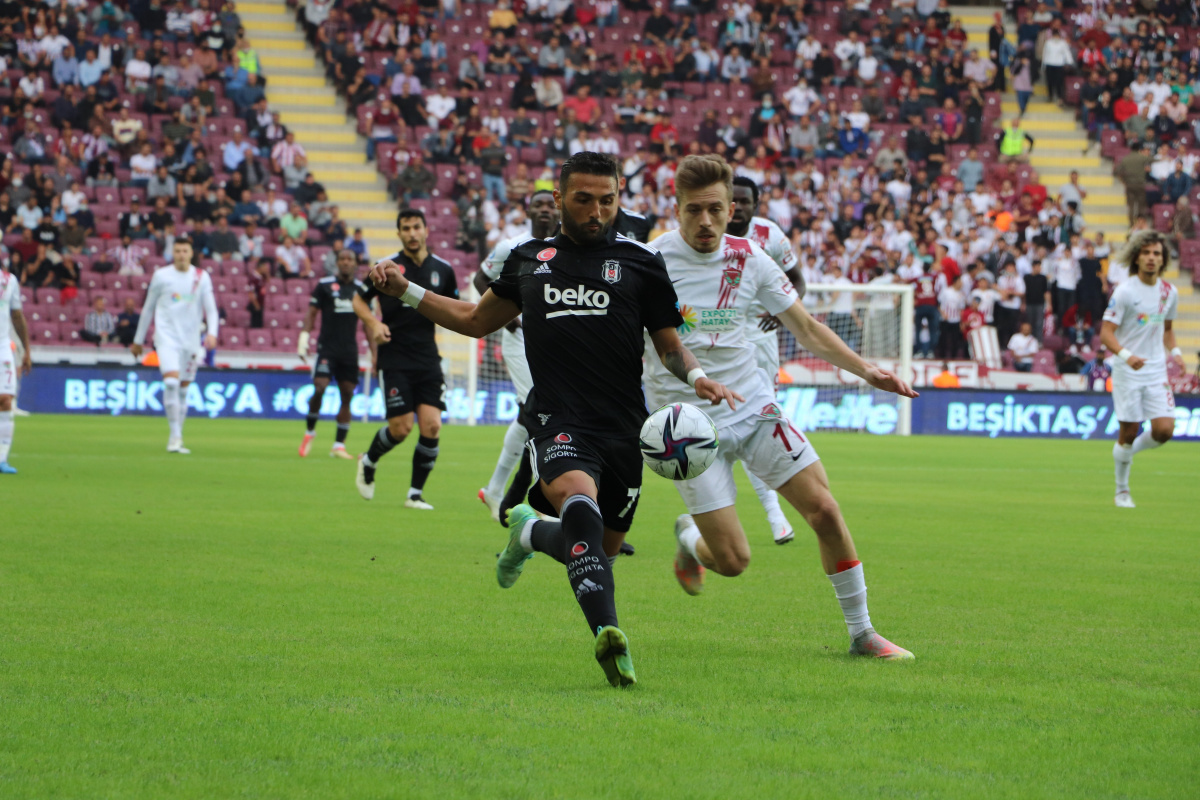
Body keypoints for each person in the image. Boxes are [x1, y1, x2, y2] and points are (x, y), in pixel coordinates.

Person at [367, 152, 739, 687]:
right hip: (557, 418)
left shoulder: (640, 264)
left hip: (624, 430)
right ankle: (610, 638)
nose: (596, 211)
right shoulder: (528, 259)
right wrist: (404, 290)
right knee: (580, 507)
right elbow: (474, 321)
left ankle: (530, 533)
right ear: (559, 199)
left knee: (596, 553)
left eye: (607, 200)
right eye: (583, 199)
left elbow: (669, 345)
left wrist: (697, 375)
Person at [646, 155, 916, 660]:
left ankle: (863, 634)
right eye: (693, 211)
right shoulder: (650, 261)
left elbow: (808, 329)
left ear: (732, 210)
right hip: (688, 429)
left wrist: (867, 371)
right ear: (676, 210)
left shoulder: (751, 259)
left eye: (716, 210)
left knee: (826, 511)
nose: (705, 221)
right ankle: (692, 541)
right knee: (732, 561)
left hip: (753, 408)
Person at [352, 209, 459, 508]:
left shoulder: (444, 269)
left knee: (432, 426)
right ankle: (369, 460)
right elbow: (358, 299)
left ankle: (415, 494)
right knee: (400, 429)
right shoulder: (386, 267)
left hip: (428, 357)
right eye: (406, 228)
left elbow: (453, 305)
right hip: (395, 356)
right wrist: (373, 324)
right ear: (398, 234)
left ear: (426, 230)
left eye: (416, 227)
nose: (412, 233)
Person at [727, 176, 804, 544]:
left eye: (745, 201)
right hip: (721, 336)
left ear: (756, 205)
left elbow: (797, 282)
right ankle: (772, 514)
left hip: (760, 337)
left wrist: (784, 311)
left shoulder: (770, 235)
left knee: (762, 417)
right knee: (728, 422)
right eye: (734, 200)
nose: (738, 207)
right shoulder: (707, 229)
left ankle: (774, 512)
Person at [474, 190, 558, 521]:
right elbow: (480, 278)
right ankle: (547, 499)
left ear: (557, 209)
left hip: (553, 340)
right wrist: (505, 317)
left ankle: (495, 490)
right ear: (527, 211)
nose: (543, 210)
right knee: (540, 408)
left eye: (548, 205)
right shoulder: (512, 247)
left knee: (529, 413)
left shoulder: (565, 247)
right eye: (537, 205)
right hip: (520, 338)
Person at [1100, 231, 1182, 509]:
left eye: (1156, 253)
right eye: (1146, 253)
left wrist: (1178, 353)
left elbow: (1167, 331)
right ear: (1137, 257)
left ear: (1163, 260)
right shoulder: (1125, 292)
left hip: (1156, 369)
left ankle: (1125, 453)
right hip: (1127, 370)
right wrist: (1126, 355)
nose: (1151, 258)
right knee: (1129, 430)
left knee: (1164, 430)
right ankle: (1122, 490)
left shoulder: (1170, 292)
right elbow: (1106, 333)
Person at [130, 238, 219, 454]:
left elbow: (212, 309)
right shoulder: (161, 276)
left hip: (191, 341)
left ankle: (178, 433)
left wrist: (212, 333)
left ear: (191, 253)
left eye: (184, 251)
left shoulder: (201, 276)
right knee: (171, 383)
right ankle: (174, 436)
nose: (181, 254)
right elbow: (148, 308)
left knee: (183, 391)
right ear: (173, 253)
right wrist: (138, 339)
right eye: (177, 250)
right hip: (166, 339)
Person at [298, 249, 364, 460]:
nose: (345, 262)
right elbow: (311, 313)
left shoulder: (361, 289)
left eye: (349, 259)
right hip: (327, 348)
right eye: (342, 259)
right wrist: (304, 336)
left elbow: (370, 323)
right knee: (320, 387)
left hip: (349, 351)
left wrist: (375, 351)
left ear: (355, 264)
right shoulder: (324, 285)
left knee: (347, 394)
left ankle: (338, 445)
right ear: (337, 263)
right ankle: (310, 432)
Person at [0, 263, 31, 473]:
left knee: (5, 400)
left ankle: (1, 459)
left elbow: (17, 316)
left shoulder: (9, 280)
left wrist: (26, 349)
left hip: (2, 347)